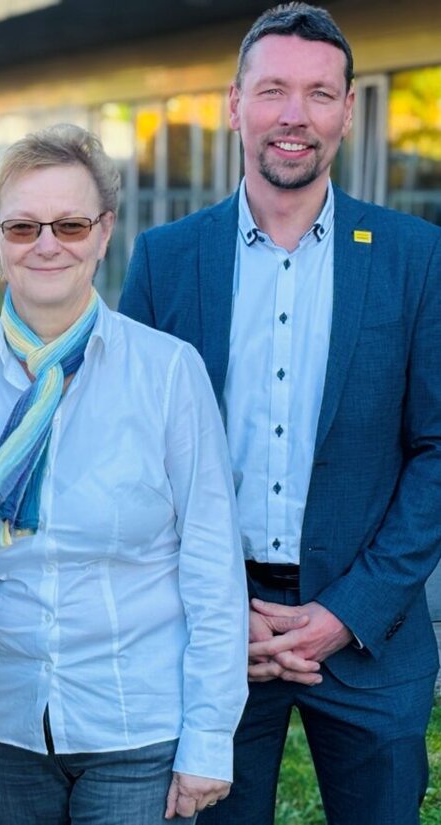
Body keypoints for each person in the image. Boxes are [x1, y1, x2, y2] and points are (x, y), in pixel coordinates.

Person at [120, 4, 441, 823]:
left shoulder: (417, 257)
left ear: (348, 110)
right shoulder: (165, 259)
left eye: (318, 94)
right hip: (206, 632)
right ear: (234, 105)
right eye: (272, 91)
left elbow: (437, 448)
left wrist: (346, 613)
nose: (294, 116)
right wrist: (222, 611)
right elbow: (133, 456)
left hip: (373, 633)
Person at [0, 123, 248, 825]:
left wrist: (210, 734)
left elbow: (212, 567)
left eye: (70, 224)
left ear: (104, 232)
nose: (48, 244)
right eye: (22, 227)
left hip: (138, 724)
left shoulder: (168, 373)